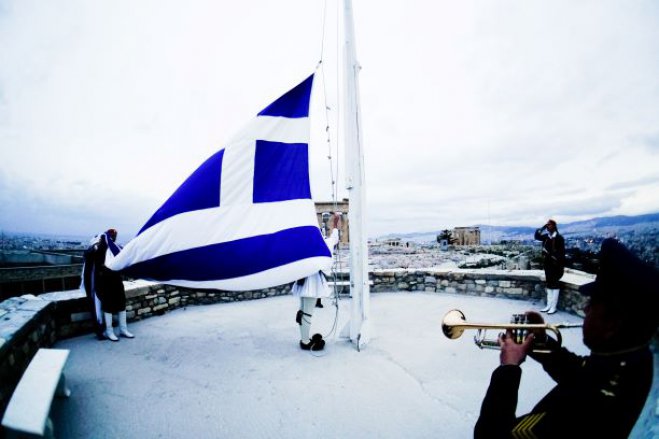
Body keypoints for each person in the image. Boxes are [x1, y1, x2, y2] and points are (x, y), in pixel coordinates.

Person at [474, 238, 659, 438]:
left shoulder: (584, 410)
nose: (586, 309)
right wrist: (541, 340)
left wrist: (508, 368)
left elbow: (489, 434)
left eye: (593, 304)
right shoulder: (633, 359)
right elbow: (582, 373)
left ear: (613, 323)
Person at [291, 212, 341, 351]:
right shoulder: (323, 242)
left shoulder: (303, 243)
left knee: (303, 311)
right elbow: (335, 238)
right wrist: (336, 221)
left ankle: (304, 338)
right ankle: (305, 341)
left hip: (303, 279)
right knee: (306, 312)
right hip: (312, 281)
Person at [92, 229, 134, 342]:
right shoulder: (100, 249)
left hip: (116, 280)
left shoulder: (116, 247)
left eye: (114, 235)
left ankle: (123, 329)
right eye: (111, 235)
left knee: (121, 304)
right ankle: (109, 331)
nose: (113, 237)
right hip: (105, 282)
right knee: (108, 306)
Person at [534, 219, 565, 314]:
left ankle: (553, 306)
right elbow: (537, 236)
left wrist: (553, 256)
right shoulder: (547, 237)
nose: (548, 227)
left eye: (549, 225)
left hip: (556, 265)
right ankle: (549, 305)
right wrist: (542, 227)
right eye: (547, 225)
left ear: (554, 226)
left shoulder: (559, 238)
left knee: (555, 284)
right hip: (547, 264)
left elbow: (561, 253)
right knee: (549, 284)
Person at [82, 235, 105, 340]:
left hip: (96, 285)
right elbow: (91, 253)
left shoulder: (94, 253)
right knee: (95, 309)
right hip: (92, 287)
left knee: (99, 308)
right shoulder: (91, 252)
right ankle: (99, 330)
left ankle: (101, 328)